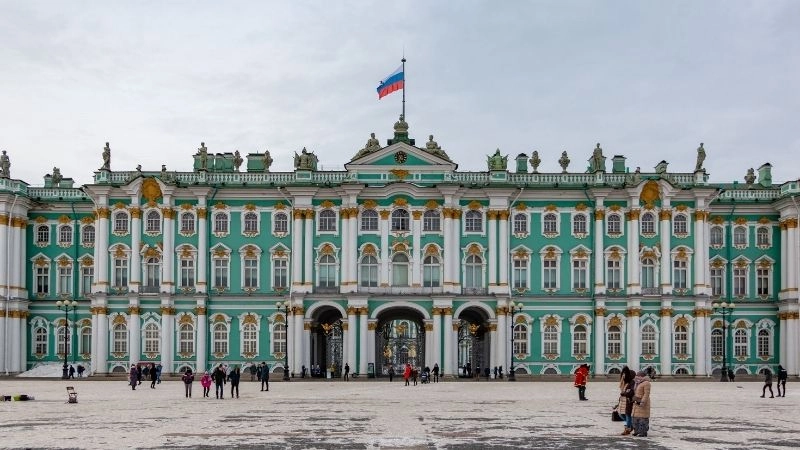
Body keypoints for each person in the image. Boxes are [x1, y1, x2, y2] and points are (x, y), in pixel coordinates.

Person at [631, 370, 652, 437]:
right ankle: (636, 431)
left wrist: (643, 402)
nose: (637, 377)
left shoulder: (646, 383)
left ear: (642, 376)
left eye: (638, 376)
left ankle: (643, 432)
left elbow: (646, 394)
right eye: (637, 376)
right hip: (636, 401)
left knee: (643, 418)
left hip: (642, 402)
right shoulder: (638, 383)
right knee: (635, 417)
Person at [618, 367, 635, 435]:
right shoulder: (626, 382)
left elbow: (631, 392)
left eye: (625, 374)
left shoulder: (632, 382)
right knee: (621, 414)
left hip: (628, 401)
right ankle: (630, 425)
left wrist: (624, 393)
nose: (624, 376)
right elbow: (622, 389)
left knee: (627, 415)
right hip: (623, 401)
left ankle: (628, 428)